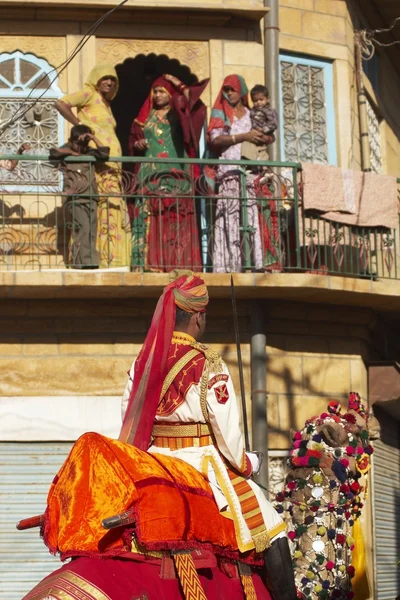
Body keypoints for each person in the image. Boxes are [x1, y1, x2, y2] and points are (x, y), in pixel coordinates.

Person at [121, 269, 297, 600]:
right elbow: (229, 439)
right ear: (198, 318)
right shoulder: (209, 364)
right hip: (201, 465)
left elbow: (128, 420)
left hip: (155, 463)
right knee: (273, 525)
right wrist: (248, 463)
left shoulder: (140, 364)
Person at [128, 74, 208, 272]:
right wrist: (137, 144)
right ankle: (149, 264)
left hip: (176, 174)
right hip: (150, 174)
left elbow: (192, 99)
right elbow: (132, 141)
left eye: (161, 91)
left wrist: (175, 82)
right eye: (154, 91)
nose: (157, 95)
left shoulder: (179, 113)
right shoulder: (144, 117)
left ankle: (177, 263)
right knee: (151, 215)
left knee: (174, 217)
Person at [55, 63, 130, 269]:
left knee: (111, 208)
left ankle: (114, 258)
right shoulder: (89, 93)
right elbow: (61, 103)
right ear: (96, 79)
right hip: (97, 166)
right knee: (98, 209)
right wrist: (81, 126)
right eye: (105, 78)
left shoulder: (106, 104)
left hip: (111, 166)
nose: (109, 82)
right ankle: (97, 259)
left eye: (113, 80)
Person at [207, 74, 278, 273]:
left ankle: (253, 263)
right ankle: (229, 266)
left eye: (233, 89)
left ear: (242, 91)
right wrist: (242, 136)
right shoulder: (221, 113)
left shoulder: (251, 113)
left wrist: (262, 137)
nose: (229, 93)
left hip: (249, 171)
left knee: (250, 216)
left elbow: (268, 135)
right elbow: (216, 140)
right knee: (229, 217)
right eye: (226, 90)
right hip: (229, 171)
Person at [50, 125, 109, 269]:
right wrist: (72, 151)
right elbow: (53, 153)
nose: (80, 146)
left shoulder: (89, 151)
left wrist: (93, 138)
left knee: (91, 230)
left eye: (83, 142)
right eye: (77, 142)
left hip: (90, 195)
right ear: (73, 139)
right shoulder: (66, 149)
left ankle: (87, 263)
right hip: (73, 197)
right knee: (83, 228)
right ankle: (85, 263)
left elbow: (104, 154)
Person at [241, 84, 279, 165]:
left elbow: (274, 123)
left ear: (267, 99)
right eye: (255, 101)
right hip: (254, 133)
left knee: (259, 148)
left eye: (261, 100)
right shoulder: (253, 110)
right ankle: (258, 165)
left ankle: (262, 165)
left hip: (263, 133)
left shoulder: (269, 110)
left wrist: (263, 130)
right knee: (255, 148)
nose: (258, 103)